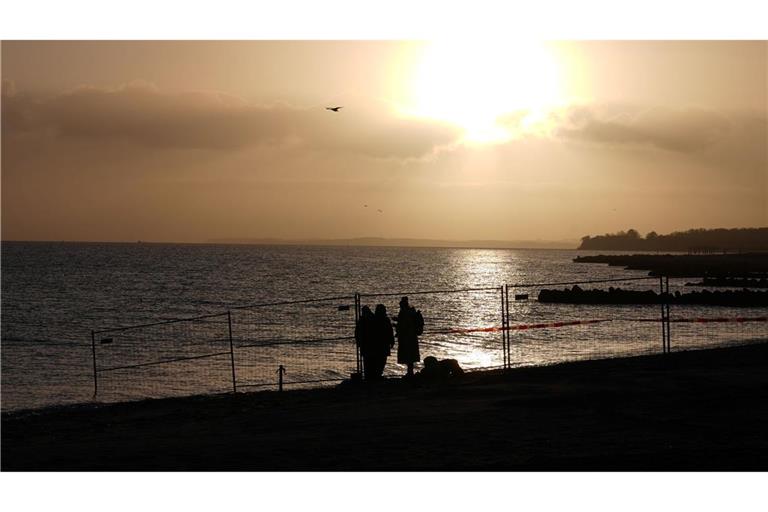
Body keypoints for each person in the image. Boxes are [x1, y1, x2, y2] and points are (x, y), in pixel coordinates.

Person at [395, 296, 423, 378]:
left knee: (408, 355)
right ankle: (410, 372)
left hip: (406, 337)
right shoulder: (411, 311)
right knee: (410, 356)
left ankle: (410, 373)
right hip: (411, 336)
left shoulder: (405, 312)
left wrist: (397, 323)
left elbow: (404, 324)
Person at [368, 304, 394, 380]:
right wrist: (391, 341)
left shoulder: (373, 319)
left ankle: (376, 375)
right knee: (381, 360)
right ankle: (378, 374)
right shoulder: (385, 320)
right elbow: (390, 331)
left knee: (377, 360)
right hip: (383, 343)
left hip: (377, 343)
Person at [355, 305, 376, 380]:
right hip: (369, 344)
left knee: (367, 361)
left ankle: (369, 376)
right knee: (370, 361)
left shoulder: (362, 320)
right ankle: (371, 376)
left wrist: (359, 342)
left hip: (367, 344)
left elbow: (357, 332)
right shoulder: (373, 319)